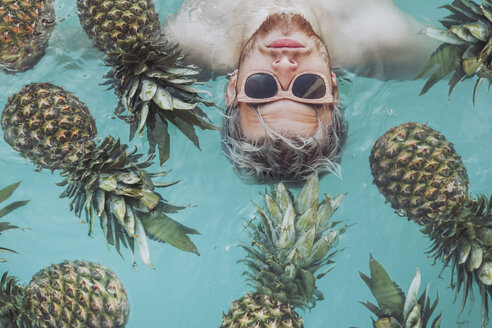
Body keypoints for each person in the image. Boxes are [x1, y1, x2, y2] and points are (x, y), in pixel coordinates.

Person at [164, 0, 438, 182]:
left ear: (233, 87)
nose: (284, 64)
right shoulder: (386, 38)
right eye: (309, 88)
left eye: (261, 86)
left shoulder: (187, 39)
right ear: (333, 85)